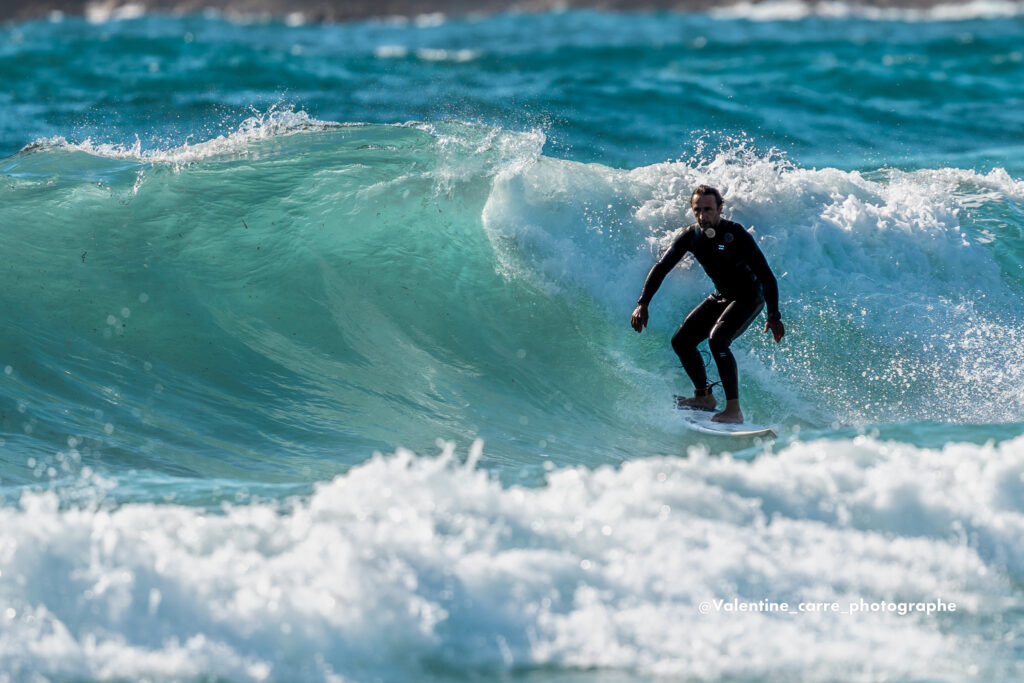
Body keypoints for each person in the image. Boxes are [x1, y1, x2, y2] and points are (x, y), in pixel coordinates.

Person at [630, 185, 785, 424]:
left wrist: (773, 315)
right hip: (722, 295)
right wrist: (643, 303)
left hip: (749, 296)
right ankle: (704, 397)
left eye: (708, 210)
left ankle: (734, 410)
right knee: (681, 341)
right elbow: (661, 268)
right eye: (697, 210)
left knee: (718, 340)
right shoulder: (691, 236)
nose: (703, 216)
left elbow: (766, 276)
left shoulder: (736, 234)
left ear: (720, 209)